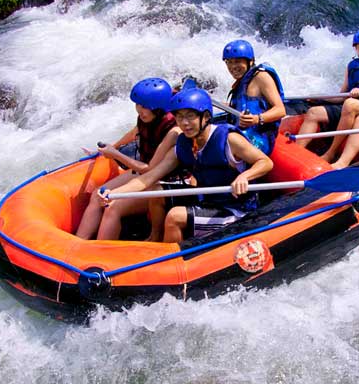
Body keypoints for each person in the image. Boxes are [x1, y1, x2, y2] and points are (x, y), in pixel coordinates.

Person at [98, 88, 273, 243]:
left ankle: (171, 260)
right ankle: (156, 239)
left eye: (190, 116)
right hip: (206, 199)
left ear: (205, 117)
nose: (185, 123)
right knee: (157, 191)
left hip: (234, 208)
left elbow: (265, 162)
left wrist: (244, 176)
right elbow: (148, 178)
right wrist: (114, 194)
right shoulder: (183, 144)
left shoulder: (228, 139)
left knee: (175, 217)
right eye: (180, 117)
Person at [76, 78, 181, 241]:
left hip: (161, 183)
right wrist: (114, 146)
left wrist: (116, 155)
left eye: (145, 106)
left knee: (113, 206)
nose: (140, 110)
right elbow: (136, 132)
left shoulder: (173, 131)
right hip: (143, 174)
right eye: (138, 105)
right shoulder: (147, 118)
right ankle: (78, 244)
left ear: (158, 108)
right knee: (97, 195)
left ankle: (100, 253)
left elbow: (149, 169)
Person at [295, 28, 359, 162]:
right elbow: (343, 95)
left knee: (350, 104)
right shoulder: (352, 66)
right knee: (314, 112)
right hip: (351, 106)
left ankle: (331, 152)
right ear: (356, 48)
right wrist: (321, 98)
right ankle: (297, 154)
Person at [222, 39, 286, 154]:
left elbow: (280, 110)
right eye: (229, 62)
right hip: (242, 135)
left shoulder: (261, 77)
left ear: (250, 61)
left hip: (259, 139)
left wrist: (257, 119)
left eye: (237, 62)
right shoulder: (242, 81)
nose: (233, 67)